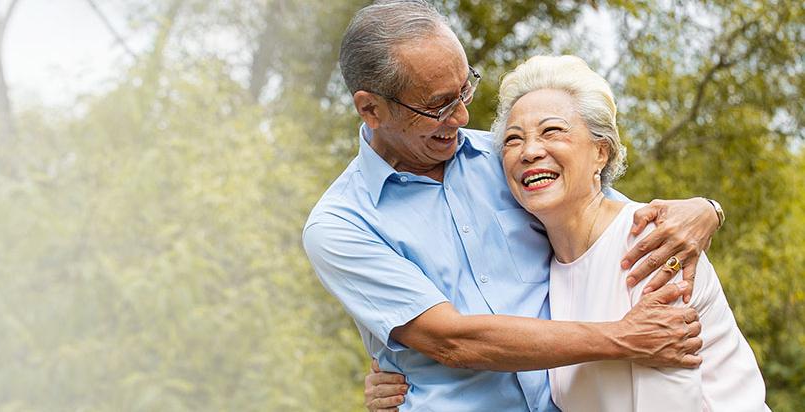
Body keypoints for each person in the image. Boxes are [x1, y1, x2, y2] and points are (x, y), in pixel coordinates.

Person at [302, 1, 726, 411]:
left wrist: (706, 209)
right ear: (371, 109)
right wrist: (625, 338)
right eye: (437, 106)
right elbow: (453, 341)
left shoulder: (513, 157)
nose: (463, 116)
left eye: (465, 88)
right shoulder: (342, 225)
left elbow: (606, 218)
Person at [496, 55, 766, 410]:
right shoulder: (543, 268)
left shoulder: (652, 242)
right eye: (513, 140)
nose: (530, 151)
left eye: (552, 131)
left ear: (600, 153)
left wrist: (711, 208)